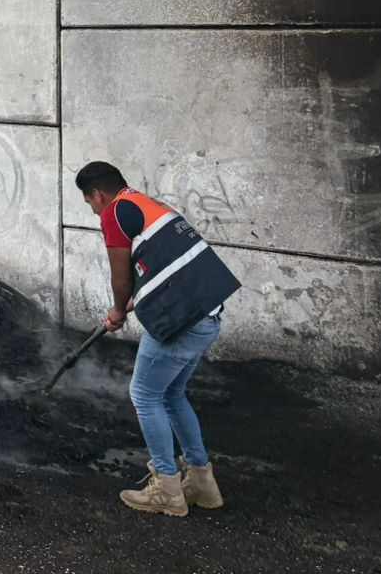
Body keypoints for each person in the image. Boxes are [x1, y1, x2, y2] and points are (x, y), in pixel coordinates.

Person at [76, 160, 241, 517]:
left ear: (98, 194)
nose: (92, 210)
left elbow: (120, 277)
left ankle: (167, 487)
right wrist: (128, 304)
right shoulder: (150, 206)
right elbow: (163, 270)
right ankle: (201, 482)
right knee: (171, 394)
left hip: (182, 322)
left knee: (144, 395)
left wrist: (119, 308)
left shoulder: (115, 212)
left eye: (89, 202)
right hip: (206, 316)